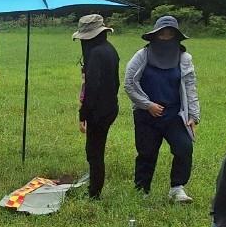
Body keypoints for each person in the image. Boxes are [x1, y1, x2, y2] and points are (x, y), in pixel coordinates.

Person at [123, 15, 200, 202]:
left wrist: (193, 115)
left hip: (174, 114)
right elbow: (129, 83)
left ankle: (177, 188)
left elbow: (190, 86)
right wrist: (147, 104)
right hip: (146, 115)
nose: (165, 38)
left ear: (176, 37)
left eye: (169, 34)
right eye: (162, 34)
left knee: (184, 148)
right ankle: (142, 189)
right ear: (155, 35)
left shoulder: (184, 58)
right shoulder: (142, 55)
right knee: (147, 152)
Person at [73, 14, 119, 199]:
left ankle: (94, 193)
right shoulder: (110, 49)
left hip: (99, 111)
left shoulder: (96, 53)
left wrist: (83, 114)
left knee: (94, 152)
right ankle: (94, 187)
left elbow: (92, 88)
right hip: (110, 107)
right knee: (96, 150)